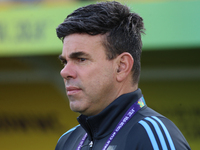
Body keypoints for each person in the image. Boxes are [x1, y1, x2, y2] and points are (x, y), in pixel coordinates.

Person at [55, 1, 191, 150]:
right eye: (65, 62)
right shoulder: (67, 141)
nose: (65, 72)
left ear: (121, 67)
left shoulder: (151, 136)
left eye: (81, 59)